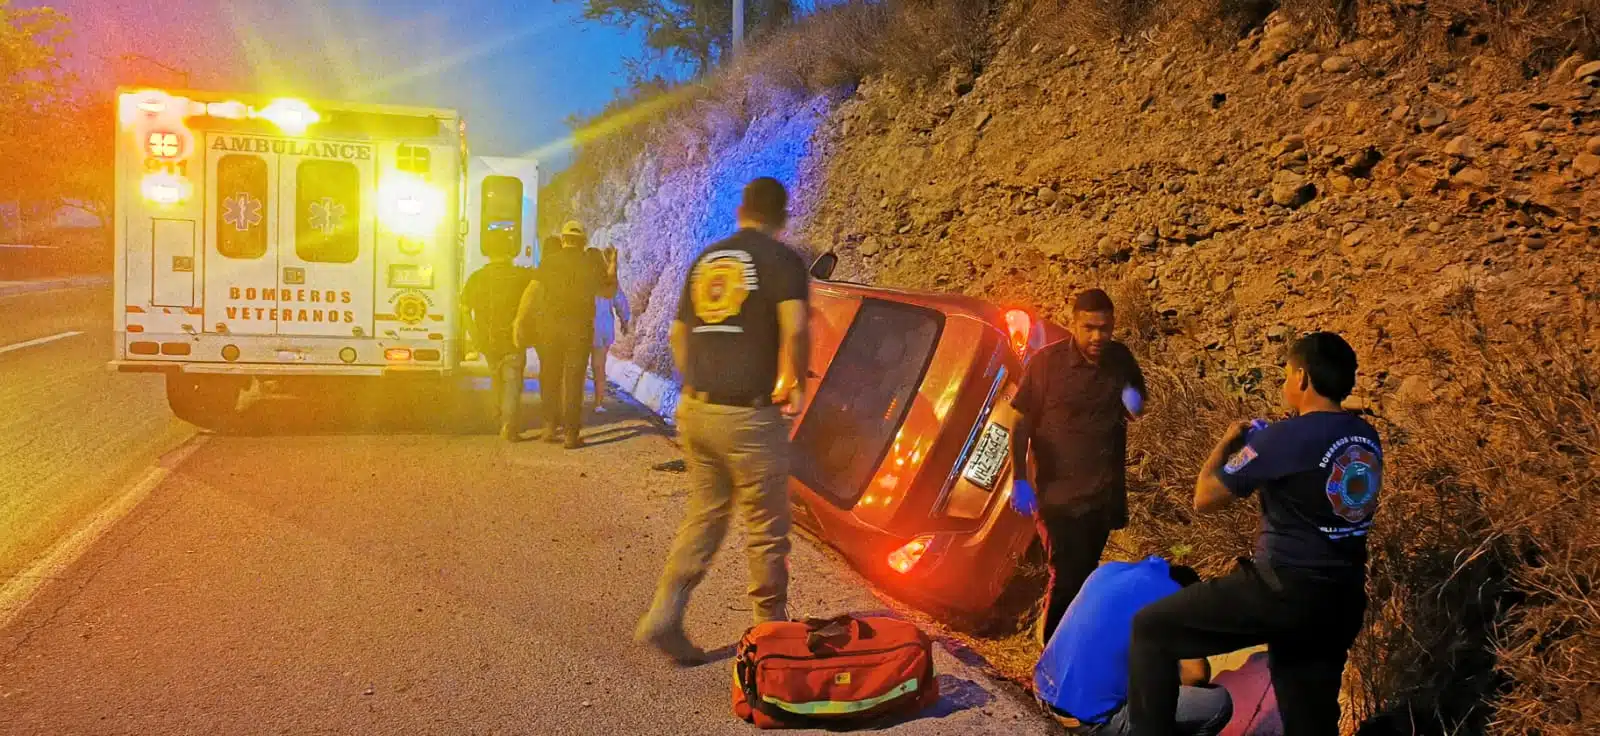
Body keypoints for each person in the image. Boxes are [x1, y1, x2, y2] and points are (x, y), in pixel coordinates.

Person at [1125, 332, 1381, 736]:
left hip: (1281, 591)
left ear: (1302, 378)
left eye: (1286, 374)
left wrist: (1230, 444)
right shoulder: (1367, 437)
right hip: (1339, 601)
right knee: (1310, 720)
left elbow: (1205, 497)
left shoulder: (1278, 438)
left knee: (1152, 629)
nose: (1284, 384)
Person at [635, 177, 810, 665]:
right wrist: (794, 381)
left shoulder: (706, 260)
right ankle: (771, 642)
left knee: (706, 514)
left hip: (697, 409)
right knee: (766, 528)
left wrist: (695, 384)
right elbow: (795, 327)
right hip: (748, 416)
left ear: (741, 211)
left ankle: (666, 612)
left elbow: (676, 336)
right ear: (781, 217)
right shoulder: (783, 261)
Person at [1010, 288, 1147, 645]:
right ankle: (1051, 652)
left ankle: (1071, 649)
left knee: (1086, 576)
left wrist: (1134, 401)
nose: (1098, 337)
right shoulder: (1046, 364)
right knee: (1067, 576)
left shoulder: (1120, 359)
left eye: (1105, 328)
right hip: (1059, 497)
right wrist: (1020, 480)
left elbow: (1136, 402)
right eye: (1089, 328)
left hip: (1103, 494)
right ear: (1074, 324)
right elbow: (1020, 421)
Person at [1037, 557, 1232, 736]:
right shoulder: (1175, 600)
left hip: (1043, 691)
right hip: (1088, 721)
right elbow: (1195, 675)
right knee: (1218, 703)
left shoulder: (1107, 571)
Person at [535, 222, 611, 449]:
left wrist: (525, 320)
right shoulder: (590, 264)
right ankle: (570, 435)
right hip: (579, 329)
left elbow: (535, 291)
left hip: (550, 328)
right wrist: (612, 264)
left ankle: (549, 426)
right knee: (574, 380)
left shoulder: (549, 262)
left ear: (563, 239)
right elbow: (607, 291)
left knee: (549, 376)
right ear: (583, 242)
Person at [460, 239, 535, 442]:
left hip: (488, 339)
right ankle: (508, 426)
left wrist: (475, 335)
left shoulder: (476, 278)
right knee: (512, 382)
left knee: (495, 376)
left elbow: (465, 310)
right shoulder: (521, 276)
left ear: (488, 254)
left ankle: (498, 412)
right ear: (510, 253)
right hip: (513, 339)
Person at [590, 246, 632, 413]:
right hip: (604, 328)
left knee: (577, 365)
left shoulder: (585, 279)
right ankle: (598, 403)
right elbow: (621, 303)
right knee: (599, 366)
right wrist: (624, 321)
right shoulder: (610, 283)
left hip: (586, 326)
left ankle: (573, 401)